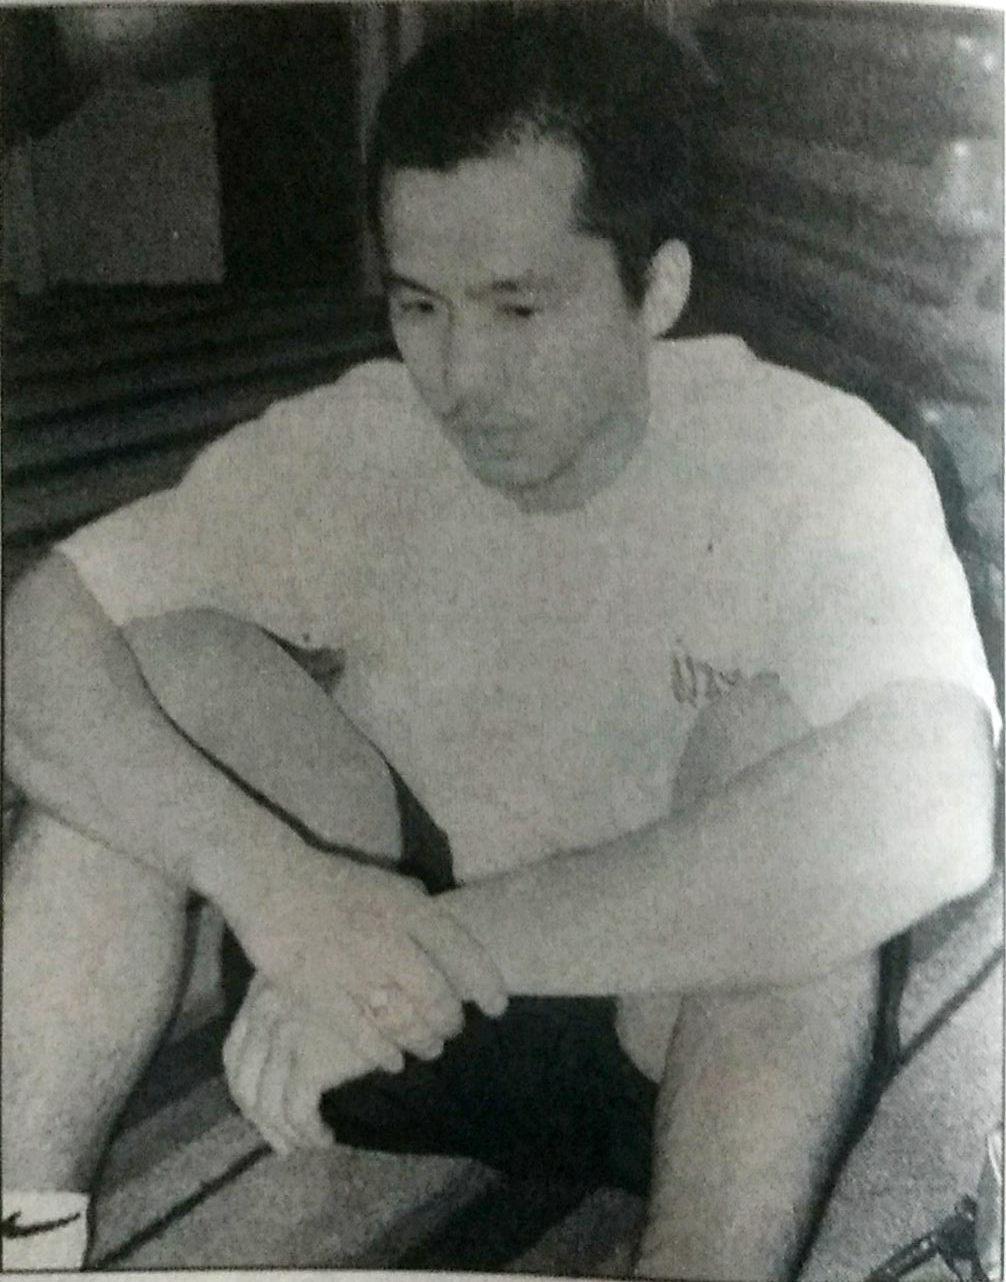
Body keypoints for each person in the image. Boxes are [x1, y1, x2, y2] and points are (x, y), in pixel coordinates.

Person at [3, 8, 998, 1279]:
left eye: (518, 309)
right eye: (420, 305)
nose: (459, 375)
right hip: (349, 985)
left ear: (658, 290)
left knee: (786, 762)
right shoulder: (363, 435)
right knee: (154, 663)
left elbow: (939, 806)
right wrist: (281, 887)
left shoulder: (819, 459)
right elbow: (39, 635)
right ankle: (20, 1239)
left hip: (668, 1039)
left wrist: (447, 949)